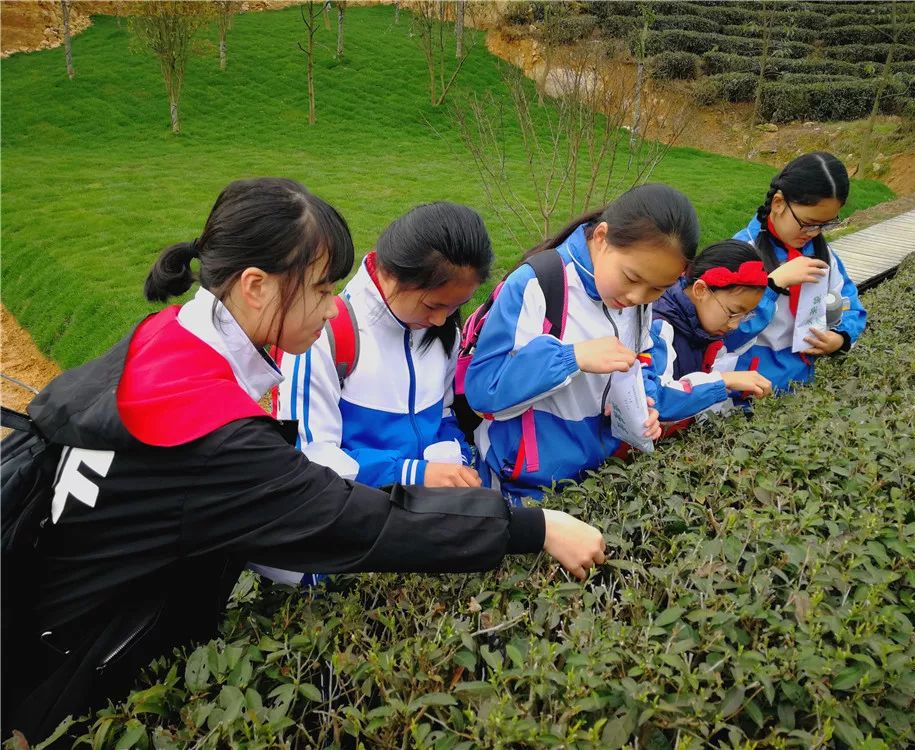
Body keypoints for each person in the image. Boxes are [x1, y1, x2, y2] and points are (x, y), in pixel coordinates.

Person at [4, 178, 605, 744]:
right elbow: (356, 521)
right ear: (256, 285)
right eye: (320, 290)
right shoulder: (211, 428)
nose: (331, 310)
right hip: (67, 684)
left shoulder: (168, 338)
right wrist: (533, 527)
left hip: (47, 622)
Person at [463, 183, 698, 505]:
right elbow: (483, 392)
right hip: (520, 486)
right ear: (601, 238)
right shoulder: (536, 285)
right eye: (631, 278)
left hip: (594, 477)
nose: (637, 298)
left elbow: (640, 359)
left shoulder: (637, 303)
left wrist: (642, 405)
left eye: (657, 289)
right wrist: (572, 358)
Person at [276, 202, 489, 490]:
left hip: (427, 513)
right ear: (389, 274)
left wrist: (456, 459)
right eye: (433, 305)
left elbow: (444, 414)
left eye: (455, 307)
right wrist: (413, 473)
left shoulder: (442, 331)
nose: (441, 319)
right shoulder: (324, 336)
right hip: (358, 517)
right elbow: (312, 459)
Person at [725, 152, 868, 392]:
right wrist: (773, 286)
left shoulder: (823, 254)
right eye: (808, 223)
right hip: (750, 392)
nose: (813, 233)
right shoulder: (741, 254)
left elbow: (850, 305)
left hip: (804, 384)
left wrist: (841, 338)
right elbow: (722, 335)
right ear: (778, 203)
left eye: (825, 225)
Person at [648, 240, 773, 431]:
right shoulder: (660, 325)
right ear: (700, 290)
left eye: (746, 315)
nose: (734, 324)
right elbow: (657, 400)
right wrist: (723, 380)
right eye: (733, 312)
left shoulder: (702, 326)